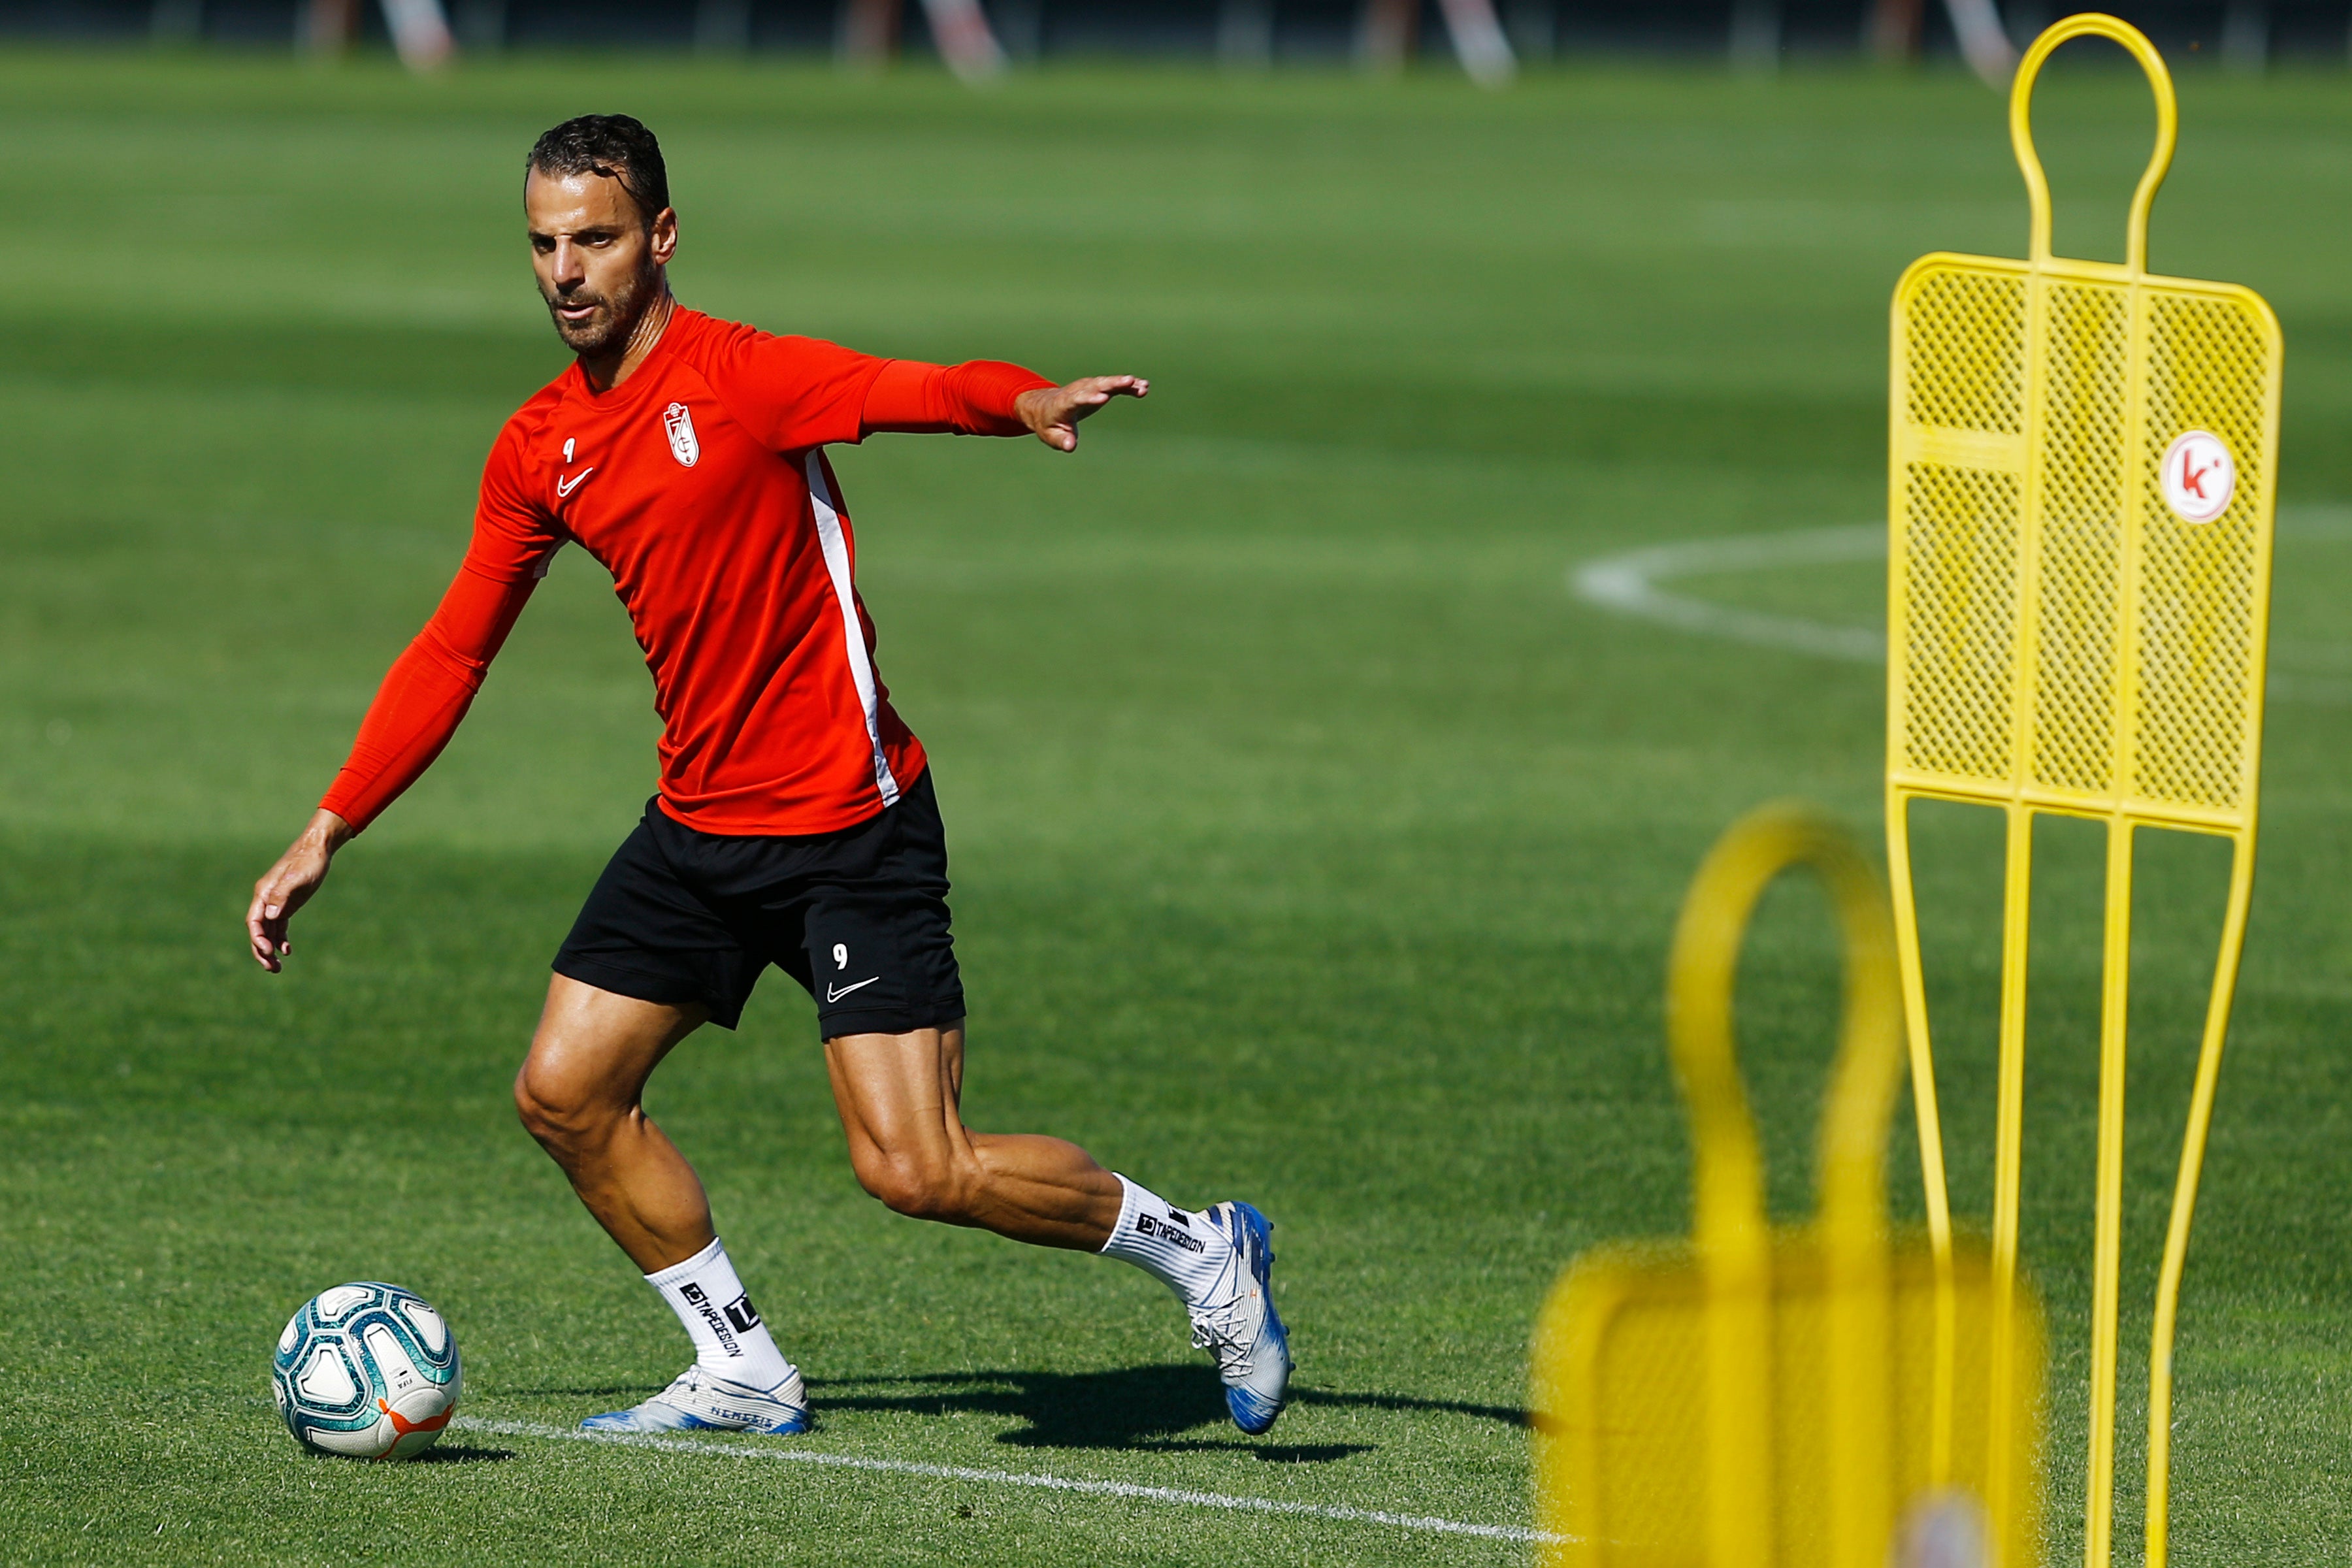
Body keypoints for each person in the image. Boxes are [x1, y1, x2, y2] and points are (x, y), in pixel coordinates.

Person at [245, 114, 1290, 1438]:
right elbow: (456, 648)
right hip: (697, 832)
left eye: (597, 240)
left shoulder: (742, 377)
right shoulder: (539, 447)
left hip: (853, 829)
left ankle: (1202, 1251)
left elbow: (916, 388)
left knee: (918, 1170)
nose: (568, 271)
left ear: (661, 239)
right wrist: (328, 828)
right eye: (545, 244)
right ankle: (739, 1364)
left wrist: (1020, 398)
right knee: (565, 1097)